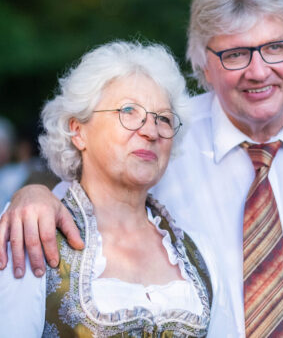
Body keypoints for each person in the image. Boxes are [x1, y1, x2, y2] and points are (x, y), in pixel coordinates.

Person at [0, 0, 283, 337]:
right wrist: (29, 195)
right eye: (235, 54)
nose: (258, 71)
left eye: (275, 47)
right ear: (204, 67)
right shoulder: (169, 137)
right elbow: (92, 177)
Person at [0, 41, 212, 336]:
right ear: (78, 131)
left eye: (163, 118)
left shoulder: (196, 250)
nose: (150, 131)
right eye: (129, 111)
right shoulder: (33, 230)